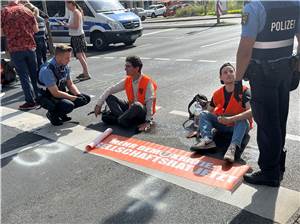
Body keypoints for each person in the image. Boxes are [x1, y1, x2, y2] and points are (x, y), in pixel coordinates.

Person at [235, 1, 300, 187]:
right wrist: (297, 69)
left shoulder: (254, 7)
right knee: (279, 120)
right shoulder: (295, 4)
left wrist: (238, 80)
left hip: (262, 76)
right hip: (284, 72)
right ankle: (278, 167)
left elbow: (246, 48)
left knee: (266, 124)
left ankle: (269, 172)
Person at [190, 63, 252, 163]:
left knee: (242, 120)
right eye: (225, 72)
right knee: (203, 114)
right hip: (222, 125)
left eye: (231, 71)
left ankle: (233, 148)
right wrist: (199, 129)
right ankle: (207, 140)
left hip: (238, 127)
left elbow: (251, 112)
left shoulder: (244, 91)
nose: (228, 74)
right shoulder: (217, 93)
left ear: (235, 74)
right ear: (221, 77)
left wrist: (231, 119)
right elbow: (207, 113)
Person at [94, 56, 157, 132]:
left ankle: (120, 119)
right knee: (109, 97)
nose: (125, 69)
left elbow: (150, 101)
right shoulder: (128, 79)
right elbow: (110, 90)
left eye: (128, 66)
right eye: (125, 66)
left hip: (142, 111)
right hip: (131, 107)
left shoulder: (147, 82)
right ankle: (122, 119)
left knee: (136, 105)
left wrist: (147, 121)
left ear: (137, 68)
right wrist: (98, 104)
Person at [38, 44, 90, 126]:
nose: (69, 60)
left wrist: (78, 95)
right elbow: (55, 93)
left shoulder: (64, 66)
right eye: (67, 58)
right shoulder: (47, 70)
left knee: (85, 98)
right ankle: (53, 114)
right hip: (48, 96)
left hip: (59, 93)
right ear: (58, 57)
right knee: (69, 105)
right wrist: (74, 98)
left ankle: (61, 113)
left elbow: (70, 84)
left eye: (70, 57)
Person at [1, 0, 39, 110]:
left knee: (23, 76)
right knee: (34, 74)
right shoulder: (27, 10)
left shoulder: (4, 12)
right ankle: (39, 98)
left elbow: (1, 33)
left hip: (15, 48)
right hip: (30, 47)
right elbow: (36, 30)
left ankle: (30, 101)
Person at [60, 0, 91, 81]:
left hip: (77, 36)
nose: (66, 6)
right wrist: (66, 24)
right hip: (77, 36)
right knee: (82, 55)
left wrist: (66, 25)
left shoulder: (76, 13)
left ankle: (86, 74)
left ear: (71, 4)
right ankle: (85, 72)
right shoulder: (74, 12)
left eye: (67, 4)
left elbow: (76, 26)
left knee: (79, 55)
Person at [21, 0, 48, 70]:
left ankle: (40, 72)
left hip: (35, 40)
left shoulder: (32, 20)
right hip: (43, 39)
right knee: (44, 57)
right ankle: (46, 71)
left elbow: (34, 31)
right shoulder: (41, 19)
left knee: (38, 58)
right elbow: (44, 31)